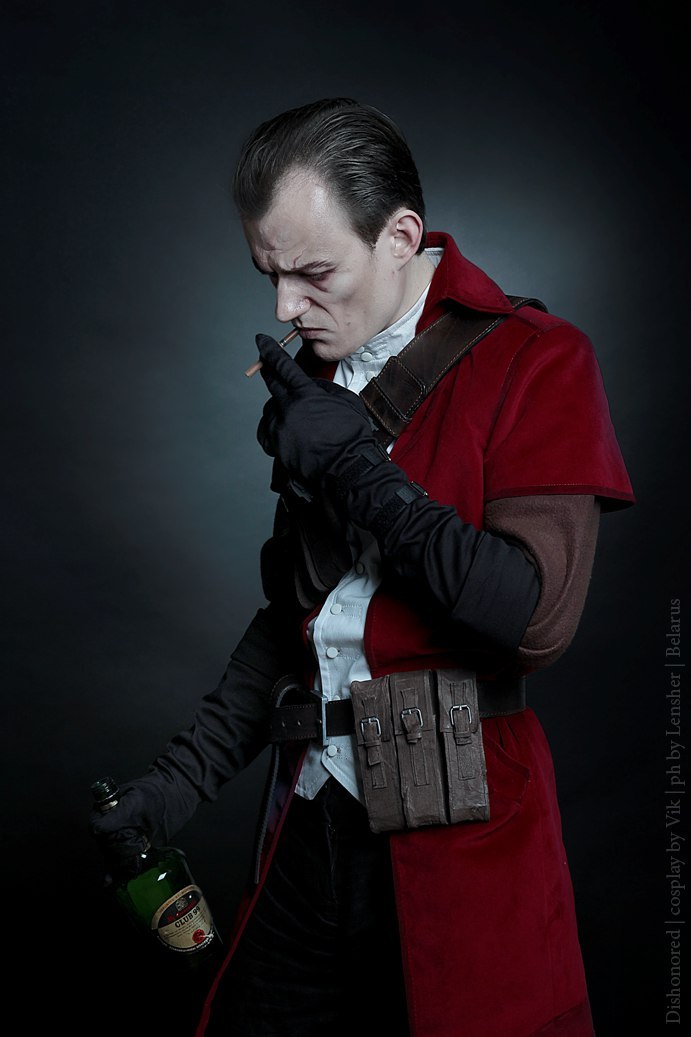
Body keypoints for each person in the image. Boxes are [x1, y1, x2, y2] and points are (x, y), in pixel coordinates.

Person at [90, 98, 635, 1037]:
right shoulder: (317, 378)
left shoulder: (540, 360)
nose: (283, 309)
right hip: (310, 821)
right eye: (268, 276)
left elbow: (530, 616)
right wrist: (178, 781)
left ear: (400, 238)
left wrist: (349, 463)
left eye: (313, 275)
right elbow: (297, 621)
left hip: (461, 829)